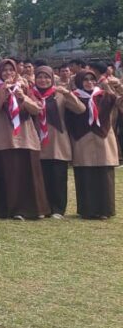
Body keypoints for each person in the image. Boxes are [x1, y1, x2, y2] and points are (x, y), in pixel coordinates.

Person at [0, 58, 50, 219]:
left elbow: (37, 109)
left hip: (25, 135)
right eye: (5, 70)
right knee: (7, 172)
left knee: (27, 173)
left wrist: (23, 97)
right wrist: (3, 90)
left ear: (16, 71)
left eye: (11, 70)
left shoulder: (25, 87)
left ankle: (31, 209)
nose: (8, 73)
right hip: (3, 136)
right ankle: (6, 209)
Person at [66, 68, 122, 219]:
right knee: (85, 175)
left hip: (103, 139)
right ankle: (87, 210)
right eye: (85, 80)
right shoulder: (73, 97)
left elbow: (119, 101)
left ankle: (105, 210)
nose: (89, 83)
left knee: (104, 175)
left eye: (92, 79)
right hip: (82, 139)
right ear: (79, 81)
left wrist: (118, 86)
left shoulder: (105, 95)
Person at [31, 65, 84, 217]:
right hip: (37, 139)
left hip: (57, 140)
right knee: (41, 177)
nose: (43, 80)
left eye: (46, 77)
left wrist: (68, 93)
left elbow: (80, 109)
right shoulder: (31, 94)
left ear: (52, 79)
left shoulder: (59, 94)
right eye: (40, 77)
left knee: (58, 176)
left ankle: (58, 209)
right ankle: (43, 207)